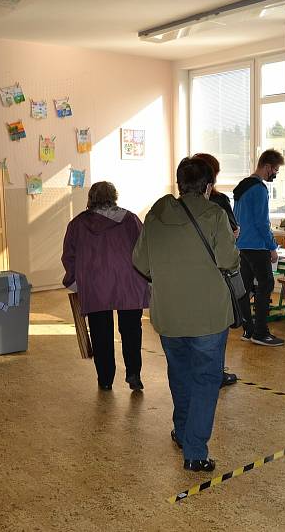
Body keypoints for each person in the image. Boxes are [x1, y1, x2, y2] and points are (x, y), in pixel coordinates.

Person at [133, 157, 239, 473]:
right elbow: (228, 260)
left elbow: (140, 262)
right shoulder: (215, 215)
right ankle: (194, 450)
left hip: (168, 315)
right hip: (207, 316)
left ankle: (181, 431)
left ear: (181, 184)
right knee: (206, 380)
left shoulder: (155, 216)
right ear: (208, 186)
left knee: (179, 374)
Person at [61, 182, 149, 391]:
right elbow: (144, 249)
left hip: (95, 284)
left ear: (91, 198)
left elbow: (69, 256)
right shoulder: (129, 219)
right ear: (114, 197)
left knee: (100, 333)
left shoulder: (77, 224)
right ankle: (134, 374)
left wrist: (74, 281)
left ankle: (105, 379)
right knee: (131, 330)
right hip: (129, 282)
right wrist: (148, 278)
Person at [192, 153, 239, 388]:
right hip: (214, 275)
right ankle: (216, 373)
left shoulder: (173, 208)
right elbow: (233, 233)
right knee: (215, 329)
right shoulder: (219, 203)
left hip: (186, 278)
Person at [233, 148, 285, 347]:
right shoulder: (259, 189)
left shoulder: (242, 186)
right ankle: (261, 332)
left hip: (241, 246)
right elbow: (262, 223)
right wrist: (272, 247)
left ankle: (248, 329)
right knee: (265, 287)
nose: (275, 174)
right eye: (275, 170)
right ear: (267, 166)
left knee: (245, 289)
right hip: (257, 246)